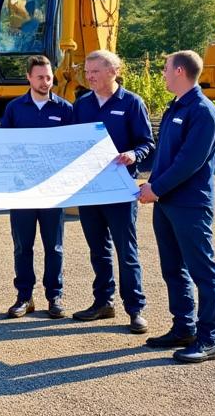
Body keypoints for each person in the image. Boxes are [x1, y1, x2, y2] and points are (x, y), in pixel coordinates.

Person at [137, 50, 215, 364]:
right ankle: (183, 328)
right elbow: (165, 157)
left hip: (189, 205)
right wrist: (149, 185)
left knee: (202, 271)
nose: (162, 73)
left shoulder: (202, 111)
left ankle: (209, 338)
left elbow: (190, 161)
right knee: (172, 268)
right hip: (166, 203)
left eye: (165, 68)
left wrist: (156, 188)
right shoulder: (176, 106)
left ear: (179, 71)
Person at [70, 49, 154, 334]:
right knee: (98, 250)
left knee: (126, 251)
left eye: (95, 71)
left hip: (120, 190)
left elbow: (147, 143)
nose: (89, 76)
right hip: (89, 190)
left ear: (113, 71)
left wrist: (133, 154)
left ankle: (135, 309)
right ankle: (103, 303)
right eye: (87, 72)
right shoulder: (82, 105)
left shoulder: (131, 103)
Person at [0, 54, 73, 320]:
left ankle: (55, 297)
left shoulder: (65, 109)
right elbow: (3, 146)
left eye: (49, 77)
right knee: (23, 247)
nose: (45, 82)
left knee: (54, 247)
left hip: (53, 191)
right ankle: (24, 297)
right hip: (23, 191)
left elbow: (73, 147)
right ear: (29, 78)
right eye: (40, 77)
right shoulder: (14, 109)